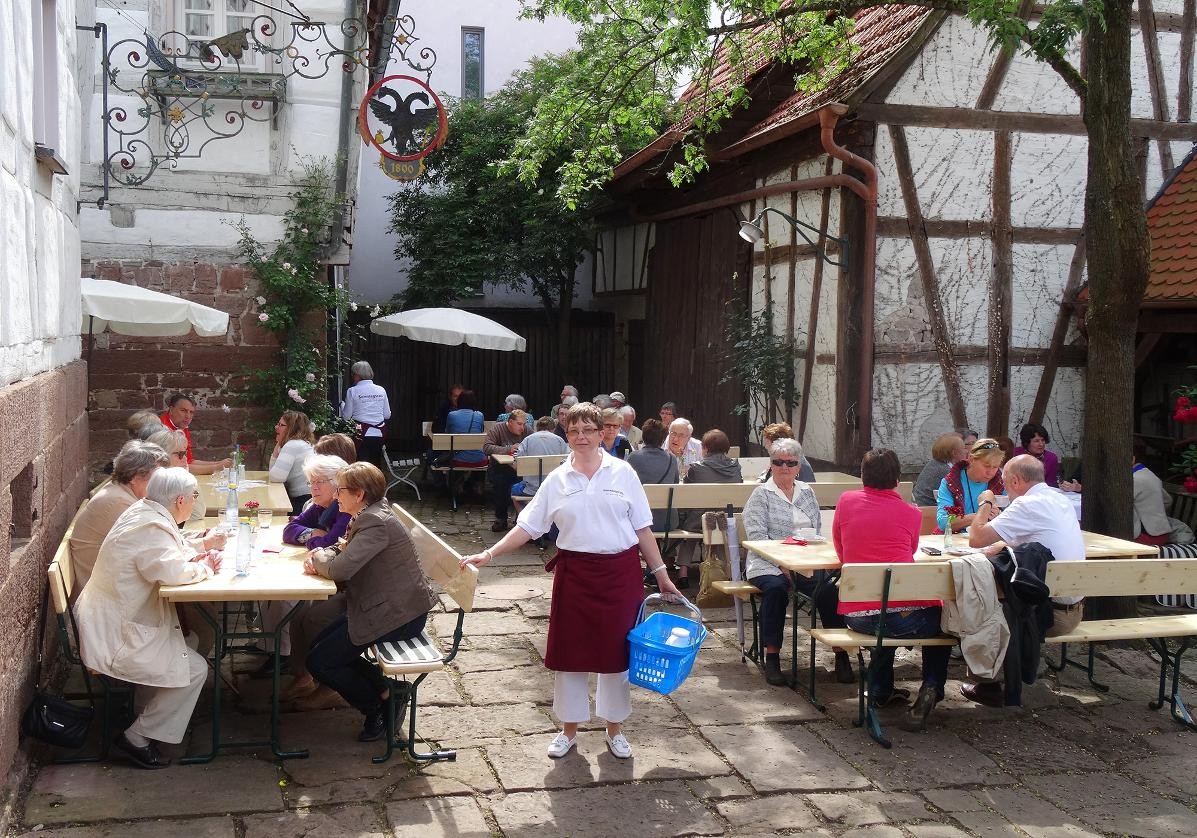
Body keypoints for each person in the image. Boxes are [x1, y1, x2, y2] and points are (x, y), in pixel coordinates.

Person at [460, 403, 681, 761]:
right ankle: (568, 731)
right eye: (575, 431)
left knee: (618, 655)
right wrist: (489, 555)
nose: (582, 437)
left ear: (602, 433)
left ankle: (615, 730)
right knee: (570, 657)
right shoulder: (557, 479)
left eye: (589, 430)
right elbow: (528, 527)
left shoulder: (623, 473)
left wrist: (662, 575)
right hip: (575, 574)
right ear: (567, 435)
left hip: (620, 575)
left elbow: (642, 528)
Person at [75, 468, 222, 769]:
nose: (195, 502)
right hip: (114, 634)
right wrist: (207, 567)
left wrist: (201, 548)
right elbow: (172, 571)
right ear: (180, 500)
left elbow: (168, 550)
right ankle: (137, 737)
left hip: (111, 619)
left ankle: (146, 712)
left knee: (191, 639)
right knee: (195, 669)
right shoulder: (150, 526)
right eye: (194, 497)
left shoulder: (144, 512)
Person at [303, 462, 438, 741]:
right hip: (383, 606)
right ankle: (388, 691)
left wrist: (317, 557)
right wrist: (324, 555)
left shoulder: (375, 522)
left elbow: (340, 568)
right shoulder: (369, 514)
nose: (337, 496)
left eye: (340, 490)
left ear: (359, 493)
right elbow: (341, 549)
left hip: (398, 615)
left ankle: (375, 706)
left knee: (321, 662)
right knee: (318, 647)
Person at [835, 448, 949, 731]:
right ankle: (932, 687)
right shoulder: (911, 512)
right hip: (904, 619)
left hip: (857, 615)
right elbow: (911, 549)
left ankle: (880, 689)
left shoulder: (846, 501)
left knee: (882, 612)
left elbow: (840, 550)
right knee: (945, 621)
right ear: (898, 480)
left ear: (862, 476)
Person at [966, 454, 1086, 704]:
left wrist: (985, 503)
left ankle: (990, 685)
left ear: (1017, 481)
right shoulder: (1058, 498)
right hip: (1073, 609)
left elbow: (976, 538)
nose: (1005, 489)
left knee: (978, 601)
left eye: (1005, 482)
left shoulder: (1027, 505)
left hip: (1049, 615)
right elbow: (1030, 538)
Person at [743, 438, 853, 686]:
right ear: (771, 465)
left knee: (829, 590)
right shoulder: (761, 495)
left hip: (805, 563)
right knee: (776, 590)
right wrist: (783, 563)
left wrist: (806, 561)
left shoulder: (807, 492)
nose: (784, 467)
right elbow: (757, 539)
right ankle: (772, 657)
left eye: (790, 463)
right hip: (767, 563)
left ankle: (841, 654)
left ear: (798, 467)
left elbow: (815, 531)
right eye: (778, 462)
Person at [278, 454, 354, 705]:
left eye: (320, 481)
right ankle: (303, 676)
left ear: (337, 485)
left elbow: (330, 544)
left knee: (312, 617)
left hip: (351, 586)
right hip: (332, 576)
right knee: (298, 616)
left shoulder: (344, 510)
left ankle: (328, 683)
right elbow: (289, 529)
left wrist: (316, 539)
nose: (313, 488)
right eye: (311, 481)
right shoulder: (321, 506)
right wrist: (312, 533)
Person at [71, 441, 169, 598]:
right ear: (134, 477)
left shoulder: (120, 492)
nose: (161, 483)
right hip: (104, 598)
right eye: (157, 477)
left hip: (109, 586)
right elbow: (155, 549)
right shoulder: (120, 503)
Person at [676, 430, 744, 584]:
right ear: (726, 448)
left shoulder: (696, 468)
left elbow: (685, 494)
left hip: (700, 521)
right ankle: (723, 570)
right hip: (726, 520)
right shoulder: (735, 467)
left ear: (705, 448)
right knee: (717, 522)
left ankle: (683, 572)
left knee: (692, 522)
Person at [936, 438, 1005, 533]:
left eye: (995, 467)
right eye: (987, 466)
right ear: (972, 459)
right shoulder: (951, 482)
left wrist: (1000, 516)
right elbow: (943, 522)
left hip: (988, 539)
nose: (991, 472)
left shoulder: (1001, 483)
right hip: (956, 541)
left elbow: (1014, 519)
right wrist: (980, 515)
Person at [626, 419, 679, 533]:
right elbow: (676, 484)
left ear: (643, 437)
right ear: (664, 439)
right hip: (667, 521)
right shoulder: (672, 459)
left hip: (639, 521)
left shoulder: (633, 457)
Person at [160, 393, 232, 475]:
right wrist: (218, 467)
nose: (188, 416)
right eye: (183, 410)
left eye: (191, 412)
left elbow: (189, 460)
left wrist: (219, 463)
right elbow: (178, 467)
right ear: (171, 410)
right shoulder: (162, 429)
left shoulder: (181, 426)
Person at [484, 409, 531, 531]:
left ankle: (520, 519)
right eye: (519, 424)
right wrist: (508, 449)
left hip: (520, 468)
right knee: (501, 486)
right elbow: (487, 447)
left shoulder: (527, 431)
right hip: (500, 467)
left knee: (526, 484)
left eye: (524, 424)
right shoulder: (498, 429)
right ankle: (501, 518)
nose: (522, 427)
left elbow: (535, 441)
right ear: (510, 422)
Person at [340, 360, 390, 468]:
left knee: (360, 467)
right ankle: (376, 483)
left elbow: (346, 416)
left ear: (357, 375)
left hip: (360, 433)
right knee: (375, 465)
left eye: (353, 374)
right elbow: (387, 415)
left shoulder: (352, 391)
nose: (353, 377)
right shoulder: (381, 390)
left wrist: (342, 406)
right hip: (379, 434)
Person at [269, 411, 315, 515]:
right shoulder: (301, 443)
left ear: (292, 428)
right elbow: (274, 474)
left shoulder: (292, 445)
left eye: (281, 425)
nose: (276, 427)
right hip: (307, 497)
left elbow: (276, 477)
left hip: (303, 501)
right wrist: (278, 446)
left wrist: (277, 448)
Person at [513, 415, 570, 497]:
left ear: (537, 428)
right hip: (554, 488)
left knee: (513, 490)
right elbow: (567, 462)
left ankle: (524, 510)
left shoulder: (527, 439)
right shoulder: (559, 440)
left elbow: (517, 466)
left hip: (531, 489)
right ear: (553, 429)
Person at [1131, 438, 1172, 545]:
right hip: (1161, 532)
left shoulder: (1135, 479)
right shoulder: (1150, 475)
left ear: (1132, 459)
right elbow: (1168, 500)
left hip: (1146, 536)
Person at [913, 432, 966, 506]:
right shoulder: (947, 471)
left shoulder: (932, 464)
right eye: (964, 448)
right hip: (932, 511)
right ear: (954, 453)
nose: (966, 451)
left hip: (921, 508)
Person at [442, 389, 487, 466]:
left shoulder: (452, 415)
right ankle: (474, 478)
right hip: (480, 460)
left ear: (459, 401)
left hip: (458, 459)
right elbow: (481, 431)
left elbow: (448, 433)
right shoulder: (479, 415)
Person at [1014, 422, 1060, 487]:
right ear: (1027, 442)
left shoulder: (1051, 458)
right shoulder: (1016, 454)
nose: (1041, 444)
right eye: (1036, 441)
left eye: (1043, 440)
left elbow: (1051, 485)